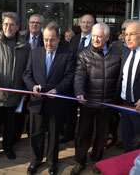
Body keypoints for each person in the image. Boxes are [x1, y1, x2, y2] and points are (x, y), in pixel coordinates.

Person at [23, 21, 75, 175]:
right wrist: (32, 87)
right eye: (45, 39)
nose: (48, 43)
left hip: (55, 102)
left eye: (52, 39)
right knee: (36, 133)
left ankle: (52, 163)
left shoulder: (67, 55)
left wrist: (57, 89)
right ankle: (35, 161)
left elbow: (69, 76)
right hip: (37, 101)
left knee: (53, 135)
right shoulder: (34, 52)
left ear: (58, 38)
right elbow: (27, 74)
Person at [70, 22, 121, 175]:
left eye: (100, 36)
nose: (96, 40)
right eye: (94, 36)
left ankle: (96, 160)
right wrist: (79, 91)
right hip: (88, 103)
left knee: (102, 134)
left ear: (107, 37)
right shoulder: (84, 54)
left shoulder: (118, 53)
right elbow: (79, 76)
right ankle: (80, 161)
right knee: (83, 134)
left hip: (107, 104)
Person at [0, 12, 31, 168]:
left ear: (17, 27)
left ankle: (8, 147)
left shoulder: (25, 46)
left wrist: (24, 89)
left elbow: (27, 70)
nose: (8, 27)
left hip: (14, 95)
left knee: (11, 126)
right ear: (2, 25)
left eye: (11, 24)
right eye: (5, 24)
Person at [60, 14, 95, 144]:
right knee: (70, 111)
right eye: (83, 22)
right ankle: (70, 133)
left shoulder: (96, 40)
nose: (85, 25)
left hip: (88, 83)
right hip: (71, 81)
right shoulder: (74, 39)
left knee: (86, 114)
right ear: (80, 24)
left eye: (89, 23)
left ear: (93, 25)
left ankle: (82, 138)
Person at [116, 21, 140, 153]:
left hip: (138, 107)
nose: (128, 38)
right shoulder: (125, 55)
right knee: (127, 141)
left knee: (138, 145)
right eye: (126, 34)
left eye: (132, 34)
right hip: (125, 106)